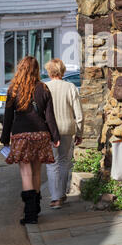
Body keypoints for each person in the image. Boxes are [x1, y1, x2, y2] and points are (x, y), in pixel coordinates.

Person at [0, 56, 60, 225]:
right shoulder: (43, 88)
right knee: (36, 172)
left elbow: (8, 117)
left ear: (20, 69)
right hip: (41, 135)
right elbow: (50, 116)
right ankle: (36, 208)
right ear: (36, 70)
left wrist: (5, 138)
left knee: (26, 174)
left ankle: (30, 215)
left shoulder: (13, 89)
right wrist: (55, 136)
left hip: (21, 136)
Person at [45, 58, 84, 209]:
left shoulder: (45, 87)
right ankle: (61, 194)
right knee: (63, 161)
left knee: (52, 163)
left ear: (49, 71)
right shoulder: (70, 87)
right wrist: (79, 132)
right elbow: (78, 113)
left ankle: (55, 198)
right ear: (63, 71)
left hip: (50, 130)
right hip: (67, 129)